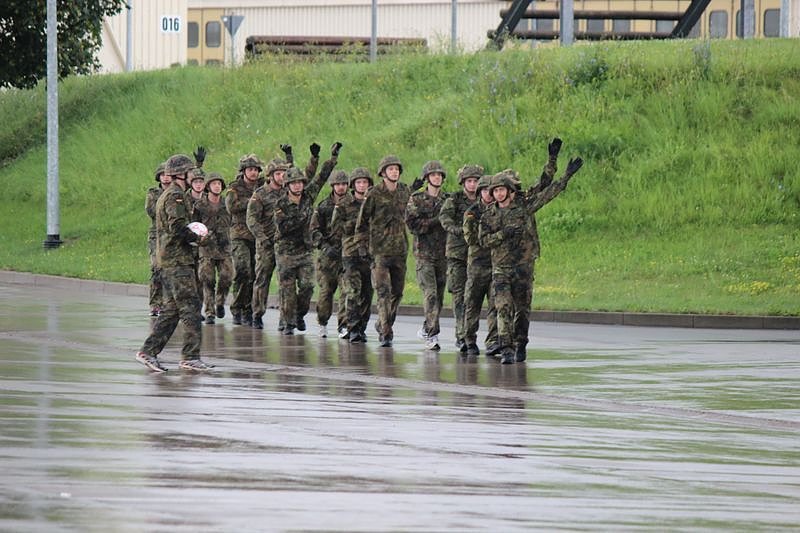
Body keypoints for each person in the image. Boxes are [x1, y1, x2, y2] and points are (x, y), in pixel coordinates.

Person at [478, 150, 583, 364]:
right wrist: (502, 235)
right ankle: (505, 348)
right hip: (501, 268)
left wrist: (566, 176)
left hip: (523, 267)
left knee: (523, 310)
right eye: (495, 190)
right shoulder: (489, 215)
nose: (499, 194)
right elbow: (482, 241)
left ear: (510, 191)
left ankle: (520, 342)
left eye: (502, 190)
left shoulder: (523, 207)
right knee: (503, 307)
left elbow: (548, 192)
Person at [136, 153, 214, 372]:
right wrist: (198, 239)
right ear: (182, 174)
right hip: (177, 262)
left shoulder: (173, 193)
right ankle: (190, 356)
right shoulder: (175, 196)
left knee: (171, 311)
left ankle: (148, 352)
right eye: (190, 172)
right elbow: (177, 227)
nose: (193, 175)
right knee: (191, 307)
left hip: (171, 261)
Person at [273, 143, 338, 335]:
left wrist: (332, 158)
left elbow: (321, 177)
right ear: (287, 185)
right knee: (287, 290)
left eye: (300, 182)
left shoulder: (308, 196)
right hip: (285, 251)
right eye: (294, 183)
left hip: (305, 250)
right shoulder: (280, 204)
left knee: (308, 287)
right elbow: (283, 227)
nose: (298, 185)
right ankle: (289, 322)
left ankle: (299, 314)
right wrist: (302, 219)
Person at [356, 155, 411, 348]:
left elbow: (411, 216)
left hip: (400, 251)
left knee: (397, 292)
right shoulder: (374, 194)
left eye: (396, 169)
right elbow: (362, 222)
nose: (394, 172)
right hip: (379, 252)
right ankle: (386, 332)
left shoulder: (405, 191)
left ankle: (383, 322)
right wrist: (362, 245)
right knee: (382, 292)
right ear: (383, 172)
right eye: (390, 169)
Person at [405, 160, 448, 351]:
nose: (437, 177)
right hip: (424, 255)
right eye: (433, 175)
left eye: (439, 175)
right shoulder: (416, 199)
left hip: (443, 254)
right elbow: (413, 225)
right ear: (427, 178)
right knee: (430, 294)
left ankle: (426, 327)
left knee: (438, 297)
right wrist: (435, 222)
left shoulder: (448, 199)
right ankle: (432, 335)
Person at [438, 164, 481, 352]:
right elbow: (444, 219)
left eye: (476, 181)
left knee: (472, 297)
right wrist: (458, 230)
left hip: (478, 255)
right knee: (459, 296)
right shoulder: (454, 200)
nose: (472, 184)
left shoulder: (484, 200)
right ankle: (460, 334)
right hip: (457, 254)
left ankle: (470, 334)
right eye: (469, 181)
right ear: (463, 182)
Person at [246, 156, 291, 330]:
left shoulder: (288, 194)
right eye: (278, 173)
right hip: (265, 245)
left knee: (285, 282)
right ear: (270, 176)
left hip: (284, 245)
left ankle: (285, 318)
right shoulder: (260, 195)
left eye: (284, 173)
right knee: (262, 279)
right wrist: (263, 238)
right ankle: (257, 313)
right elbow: (252, 220)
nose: (282, 177)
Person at [331, 167, 374, 343]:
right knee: (352, 293)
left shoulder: (374, 202)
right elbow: (335, 228)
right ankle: (353, 327)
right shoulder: (344, 203)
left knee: (367, 294)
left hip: (370, 254)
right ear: (353, 185)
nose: (362, 185)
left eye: (365, 182)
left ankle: (362, 327)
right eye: (358, 182)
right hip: (350, 254)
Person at [310, 154, 347, 338]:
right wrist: (325, 247)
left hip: (346, 255)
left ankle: (343, 326)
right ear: (333, 186)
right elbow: (314, 231)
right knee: (326, 293)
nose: (341, 187)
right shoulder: (324, 206)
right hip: (327, 259)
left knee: (347, 291)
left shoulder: (352, 204)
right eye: (338, 184)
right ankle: (323, 322)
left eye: (344, 184)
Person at [226, 154, 265, 326]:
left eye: (256, 169)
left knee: (255, 274)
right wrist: (253, 201)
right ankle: (237, 307)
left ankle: (249, 309)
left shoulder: (263, 186)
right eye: (250, 169)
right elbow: (231, 206)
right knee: (242, 270)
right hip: (239, 235)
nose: (254, 173)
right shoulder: (235, 188)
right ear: (243, 171)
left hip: (257, 235)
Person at [462, 174, 499, 357]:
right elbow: (470, 238)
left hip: (495, 264)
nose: (489, 194)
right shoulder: (472, 212)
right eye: (485, 190)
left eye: (491, 190)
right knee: (472, 304)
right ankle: (469, 339)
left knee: (495, 304)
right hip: (477, 265)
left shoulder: (499, 210)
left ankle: (492, 341)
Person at [193, 172, 233, 325]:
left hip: (224, 248)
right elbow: (194, 225)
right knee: (207, 280)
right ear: (208, 186)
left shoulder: (226, 203)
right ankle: (209, 311)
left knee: (227, 277)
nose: (217, 186)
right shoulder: (200, 205)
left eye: (219, 183)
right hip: (207, 248)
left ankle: (220, 302)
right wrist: (199, 240)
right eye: (214, 183)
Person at [145, 162, 169, 316]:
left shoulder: (179, 192)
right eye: (162, 175)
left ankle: (169, 303)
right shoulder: (153, 193)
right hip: (157, 235)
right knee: (156, 268)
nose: (165, 178)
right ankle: (155, 303)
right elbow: (152, 211)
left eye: (168, 175)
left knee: (170, 270)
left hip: (171, 235)